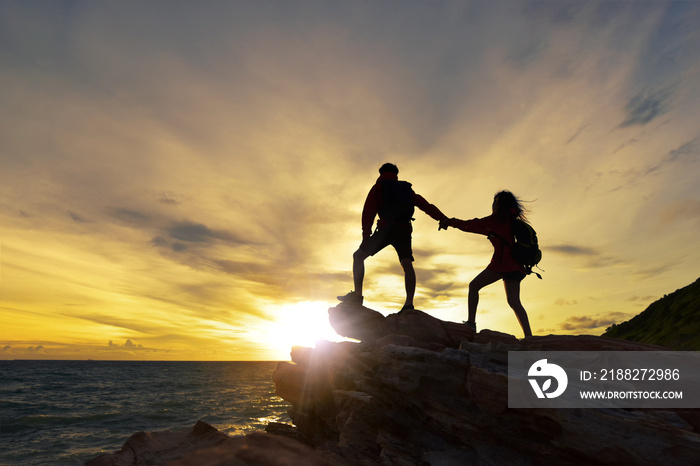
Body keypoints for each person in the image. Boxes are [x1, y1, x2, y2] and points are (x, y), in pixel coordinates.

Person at [338, 163, 448, 311]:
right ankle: (409, 303)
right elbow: (425, 205)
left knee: (358, 257)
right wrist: (442, 218)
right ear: (396, 174)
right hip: (403, 230)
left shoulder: (379, 187)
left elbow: (368, 212)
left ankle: (358, 296)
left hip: (385, 230)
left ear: (381, 173)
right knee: (407, 263)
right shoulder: (406, 190)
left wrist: (366, 235)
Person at [441, 190, 533, 337]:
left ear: (497, 204)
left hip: (502, 263)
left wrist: (449, 222)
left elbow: (469, 225)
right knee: (514, 302)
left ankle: (471, 324)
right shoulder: (512, 221)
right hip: (516, 265)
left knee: (474, 286)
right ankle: (529, 337)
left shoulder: (494, 222)